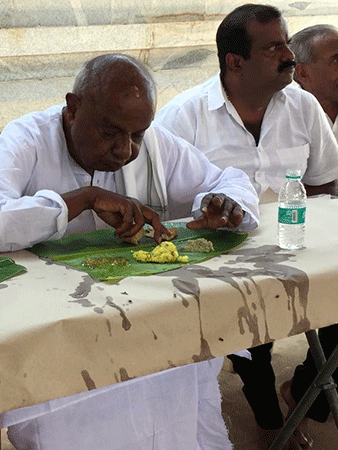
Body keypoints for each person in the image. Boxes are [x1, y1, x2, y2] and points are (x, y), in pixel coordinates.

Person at [0, 53, 260, 449]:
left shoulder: (154, 144)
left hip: (147, 323)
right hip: (59, 336)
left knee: (175, 390)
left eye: (137, 135)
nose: (125, 150)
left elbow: (228, 180)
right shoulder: (29, 138)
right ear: (72, 109)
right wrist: (80, 200)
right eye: (110, 132)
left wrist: (222, 202)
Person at [154, 5, 338, 448]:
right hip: (219, 263)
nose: (289, 55)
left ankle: (304, 395)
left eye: (287, 43)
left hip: (296, 247)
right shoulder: (183, 118)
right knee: (248, 323)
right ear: (235, 62)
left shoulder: (303, 107)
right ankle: (269, 416)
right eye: (273, 47)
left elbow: (324, 182)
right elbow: (161, 209)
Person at [279, 22, 338, 439]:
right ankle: (302, 395)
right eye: (337, 60)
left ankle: (304, 392)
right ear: (303, 71)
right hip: (290, 239)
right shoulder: (286, 114)